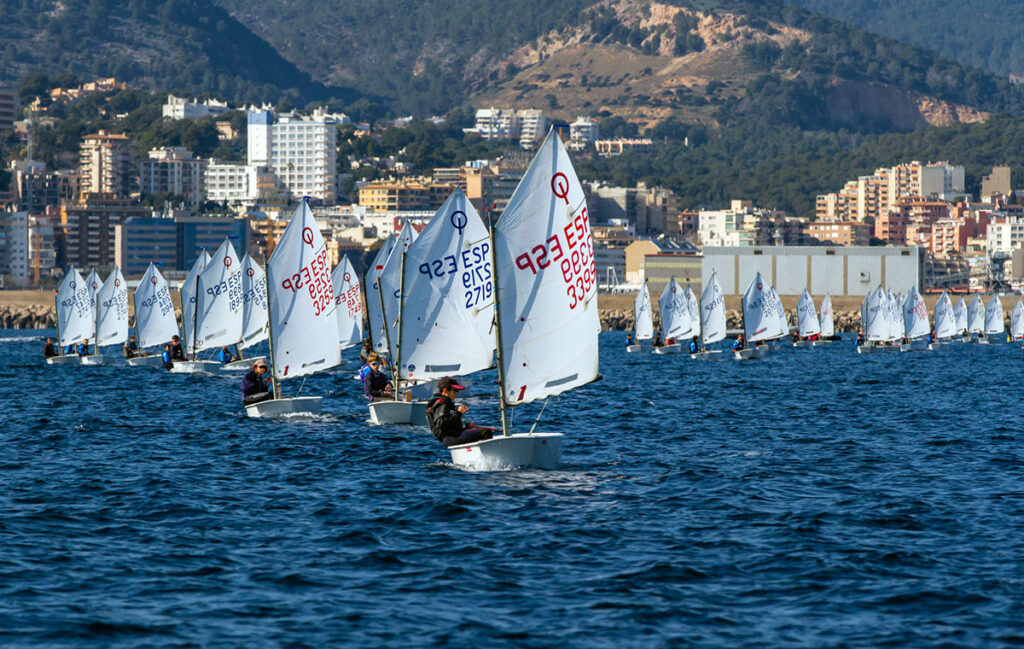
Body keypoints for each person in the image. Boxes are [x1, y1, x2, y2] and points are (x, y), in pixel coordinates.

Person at [426, 377, 494, 448]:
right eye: (455, 390)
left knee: (480, 431)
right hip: (449, 437)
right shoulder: (442, 403)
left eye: (457, 391)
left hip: (453, 435)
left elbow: (449, 422)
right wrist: (459, 413)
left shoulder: (446, 402)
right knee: (485, 432)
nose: (456, 394)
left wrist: (466, 427)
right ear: (445, 390)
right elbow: (441, 423)